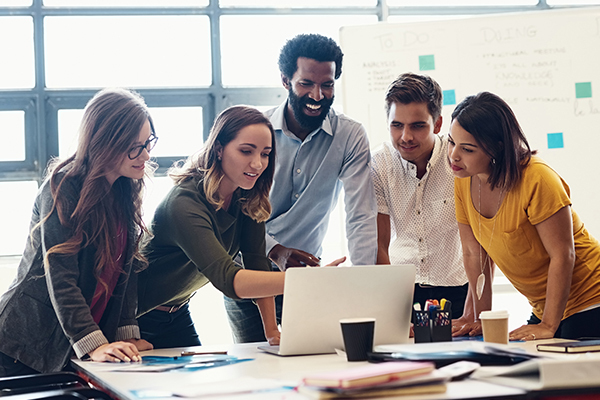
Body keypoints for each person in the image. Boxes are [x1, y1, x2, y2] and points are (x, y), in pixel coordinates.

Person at [224, 33, 377, 344]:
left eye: (327, 85)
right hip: (249, 273)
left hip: (305, 280)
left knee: (307, 364)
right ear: (285, 80)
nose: (317, 95)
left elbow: (360, 217)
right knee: (257, 369)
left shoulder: (349, 136)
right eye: (306, 83)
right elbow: (235, 211)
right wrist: (277, 251)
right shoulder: (258, 132)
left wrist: (364, 289)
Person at [0, 88, 156, 376]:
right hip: (23, 343)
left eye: (148, 143)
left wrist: (126, 333)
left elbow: (125, 273)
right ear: (105, 142)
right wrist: (94, 344)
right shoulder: (62, 188)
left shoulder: (124, 189)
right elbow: (60, 277)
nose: (145, 154)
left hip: (72, 343)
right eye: (135, 146)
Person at [449, 91, 600, 340]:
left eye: (467, 149)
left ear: (496, 148)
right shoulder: (464, 179)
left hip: (590, 297)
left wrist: (549, 325)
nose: (454, 155)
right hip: (546, 306)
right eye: (451, 142)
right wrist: (476, 316)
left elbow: (563, 254)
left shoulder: (538, 179)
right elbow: (474, 253)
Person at [136, 105, 286, 348]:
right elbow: (229, 280)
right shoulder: (184, 203)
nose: (258, 164)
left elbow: (257, 262)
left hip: (177, 312)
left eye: (265, 154)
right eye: (246, 151)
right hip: (136, 318)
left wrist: (272, 331)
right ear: (218, 149)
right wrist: (302, 281)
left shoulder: (246, 198)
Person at [371, 73, 468, 318]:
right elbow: (379, 246)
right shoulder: (379, 165)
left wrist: (475, 309)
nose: (405, 137)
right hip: (401, 291)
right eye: (397, 125)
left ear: (437, 124)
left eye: (417, 125)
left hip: (457, 290)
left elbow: (482, 243)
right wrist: (391, 307)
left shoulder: (459, 159)